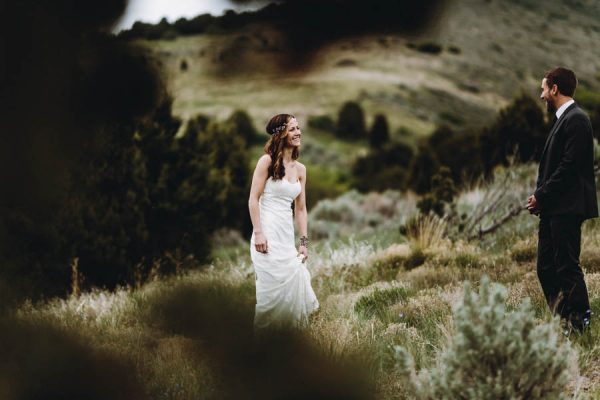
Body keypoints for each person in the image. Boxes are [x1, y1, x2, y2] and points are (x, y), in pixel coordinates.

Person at [527, 67, 598, 332]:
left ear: (555, 89)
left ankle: (580, 322)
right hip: (553, 208)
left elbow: (568, 167)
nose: (542, 94)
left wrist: (541, 195)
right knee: (546, 267)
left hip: (567, 208)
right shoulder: (563, 120)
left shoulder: (576, 119)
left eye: (544, 88)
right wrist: (541, 201)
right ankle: (565, 320)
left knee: (567, 265)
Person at [248, 114, 319, 330]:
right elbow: (253, 199)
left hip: (285, 238)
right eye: (292, 129)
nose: (298, 132)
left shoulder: (300, 170)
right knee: (270, 300)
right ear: (280, 134)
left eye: (298, 128)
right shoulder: (266, 161)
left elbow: (301, 209)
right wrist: (258, 232)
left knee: (295, 288)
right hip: (266, 237)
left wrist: (304, 243)